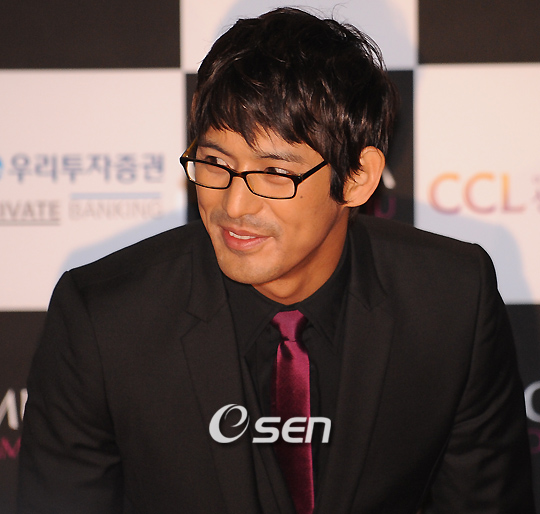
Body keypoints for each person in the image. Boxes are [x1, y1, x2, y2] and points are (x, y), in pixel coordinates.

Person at [17, 7, 534, 514]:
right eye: (215, 162)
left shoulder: (452, 303)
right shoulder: (104, 319)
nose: (234, 205)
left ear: (357, 179)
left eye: (274, 173)